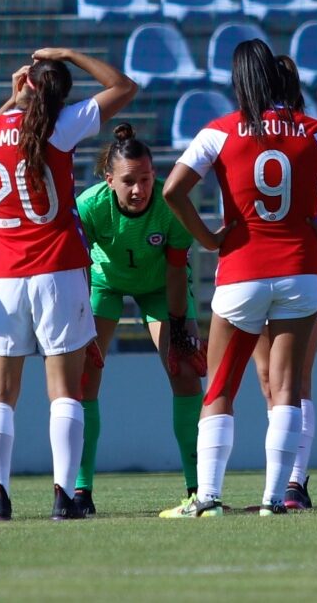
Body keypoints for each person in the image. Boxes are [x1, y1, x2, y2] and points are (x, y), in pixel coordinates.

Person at [160, 39, 317, 518]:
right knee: (287, 390)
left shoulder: (219, 132)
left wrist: (207, 236)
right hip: (301, 271)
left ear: (239, 80)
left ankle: (209, 499)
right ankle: (273, 498)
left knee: (220, 387)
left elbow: (173, 189)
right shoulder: (316, 131)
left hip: (242, 269)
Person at [0, 48, 138, 521]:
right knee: (64, 390)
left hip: (3, 277)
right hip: (57, 271)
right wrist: (69, 55)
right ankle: (64, 496)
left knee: (0, 392)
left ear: (27, 87)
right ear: (59, 95)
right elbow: (124, 87)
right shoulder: (60, 128)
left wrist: (12, 98)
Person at [73, 123, 206, 516]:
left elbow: (176, 269)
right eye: (129, 181)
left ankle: (198, 488)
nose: (139, 190)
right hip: (104, 284)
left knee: (183, 371)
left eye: (145, 179)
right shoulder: (91, 205)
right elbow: (76, 265)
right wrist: (80, 325)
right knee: (83, 377)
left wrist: (181, 325)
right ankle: (81, 491)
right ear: (109, 179)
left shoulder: (171, 204)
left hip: (160, 287)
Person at [251, 56, 317, 511]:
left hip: (297, 270)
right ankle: (285, 475)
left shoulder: (312, 140)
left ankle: (294, 481)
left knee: (293, 378)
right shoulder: (256, 137)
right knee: (271, 380)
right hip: (258, 269)